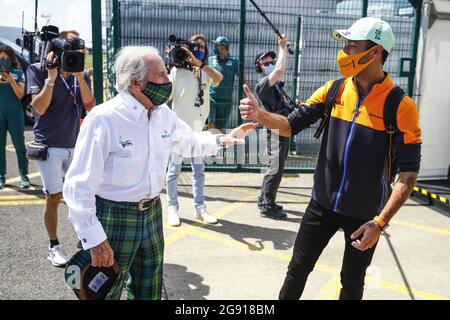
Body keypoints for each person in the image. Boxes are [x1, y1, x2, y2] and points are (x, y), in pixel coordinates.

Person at [240, 17, 422, 300]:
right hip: (321, 204)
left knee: (351, 283)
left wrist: (380, 223)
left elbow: (408, 176)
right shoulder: (333, 90)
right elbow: (289, 125)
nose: (345, 51)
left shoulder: (400, 106)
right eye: (345, 44)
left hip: (365, 216)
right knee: (297, 269)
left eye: (352, 46)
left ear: (375, 52)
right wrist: (260, 114)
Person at [62, 46, 257, 300]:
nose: (169, 80)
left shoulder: (163, 114)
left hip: (152, 214)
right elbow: (78, 186)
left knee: (149, 290)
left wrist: (225, 139)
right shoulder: (104, 119)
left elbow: (190, 142)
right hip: (115, 217)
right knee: (105, 292)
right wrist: (94, 239)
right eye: (163, 75)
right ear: (137, 83)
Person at [26, 30, 95, 267]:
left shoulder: (80, 74)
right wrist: (52, 77)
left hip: (75, 144)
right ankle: (53, 245)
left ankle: (84, 238)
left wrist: (80, 77)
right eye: (71, 51)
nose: (75, 56)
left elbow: (89, 105)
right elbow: (40, 108)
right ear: (57, 51)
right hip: (49, 145)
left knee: (82, 193)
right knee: (53, 196)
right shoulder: (37, 70)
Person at [166, 34, 224, 227]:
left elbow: (219, 78)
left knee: (199, 170)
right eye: (195, 46)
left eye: (202, 46)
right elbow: (166, 96)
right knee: (174, 171)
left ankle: (200, 208)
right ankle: (172, 208)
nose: (199, 48)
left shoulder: (206, 71)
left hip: (199, 128)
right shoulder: (177, 72)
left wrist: (200, 65)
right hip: (179, 127)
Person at [254, 35, 293, 220]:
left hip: (282, 127)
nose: (269, 64)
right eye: (265, 63)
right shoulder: (263, 85)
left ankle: (265, 198)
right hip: (274, 131)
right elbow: (278, 72)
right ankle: (267, 205)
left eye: (271, 61)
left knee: (277, 166)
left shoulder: (278, 87)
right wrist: (283, 49)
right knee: (275, 167)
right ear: (259, 68)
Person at [0, 44, 30, 189]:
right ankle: (1, 175)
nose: (3, 61)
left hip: (15, 113)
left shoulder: (18, 73)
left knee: (19, 145)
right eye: (0, 59)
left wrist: (11, 81)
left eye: (6, 58)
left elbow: (20, 95)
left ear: (11, 58)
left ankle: (24, 174)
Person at [208, 36, 240, 131]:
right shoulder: (210, 60)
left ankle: (219, 145)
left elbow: (242, 78)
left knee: (220, 127)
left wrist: (246, 94)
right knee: (211, 122)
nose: (214, 47)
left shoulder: (234, 62)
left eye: (217, 45)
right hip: (212, 98)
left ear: (224, 47)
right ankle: (209, 142)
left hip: (226, 100)